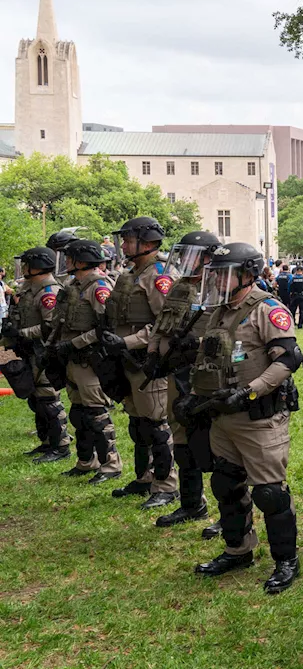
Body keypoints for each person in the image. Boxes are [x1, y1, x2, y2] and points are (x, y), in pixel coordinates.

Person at [186, 243, 303, 594]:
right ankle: (239, 549)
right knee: (225, 483)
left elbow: (288, 359)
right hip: (223, 414)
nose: (219, 280)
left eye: (226, 273)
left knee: (269, 493)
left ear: (248, 275)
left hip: (258, 416)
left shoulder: (267, 309)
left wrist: (251, 390)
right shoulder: (218, 312)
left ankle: (286, 560)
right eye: (216, 273)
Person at [149, 230, 222, 533]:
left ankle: (229, 516)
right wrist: (153, 353)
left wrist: (199, 343)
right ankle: (192, 504)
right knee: (180, 437)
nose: (186, 262)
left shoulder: (220, 286)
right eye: (184, 256)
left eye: (193, 256)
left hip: (207, 375)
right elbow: (160, 324)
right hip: (176, 372)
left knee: (218, 445)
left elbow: (231, 333)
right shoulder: (179, 287)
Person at [101, 216, 177, 507]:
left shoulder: (158, 275)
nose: (123, 244)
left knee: (157, 425)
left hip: (148, 361)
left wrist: (127, 342)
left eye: (128, 239)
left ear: (146, 243)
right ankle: (145, 478)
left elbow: (165, 323)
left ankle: (167, 486)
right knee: (138, 423)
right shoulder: (131, 273)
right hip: (127, 359)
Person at [50, 239, 123, 483]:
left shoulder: (98, 286)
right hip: (72, 360)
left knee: (97, 414)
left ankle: (111, 464)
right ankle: (86, 460)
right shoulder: (75, 286)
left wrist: (74, 343)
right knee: (79, 414)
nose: (66, 263)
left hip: (90, 361)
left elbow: (106, 327)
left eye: (69, 258)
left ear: (80, 261)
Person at [3, 246, 71, 462]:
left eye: (26, 264)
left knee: (48, 399)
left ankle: (61, 446)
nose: (23, 268)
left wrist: (21, 333)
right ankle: (46, 442)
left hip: (43, 352)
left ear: (37, 266)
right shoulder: (31, 287)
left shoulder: (48, 290)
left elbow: (51, 326)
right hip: (29, 350)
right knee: (37, 400)